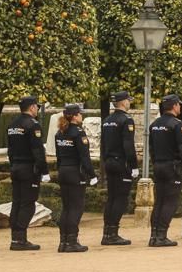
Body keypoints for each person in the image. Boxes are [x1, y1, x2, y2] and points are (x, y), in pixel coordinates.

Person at [148, 94, 182, 247]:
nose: (180, 107)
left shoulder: (154, 124)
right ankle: (161, 235)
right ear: (174, 106)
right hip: (172, 167)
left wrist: (156, 163)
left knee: (159, 201)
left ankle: (154, 235)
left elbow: (152, 149)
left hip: (159, 165)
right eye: (179, 104)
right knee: (170, 202)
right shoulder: (177, 124)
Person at [7, 95, 48, 251]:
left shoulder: (12, 124)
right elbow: (37, 150)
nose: (37, 109)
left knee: (17, 202)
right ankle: (21, 238)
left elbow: (10, 150)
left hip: (16, 167)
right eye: (36, 106)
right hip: (28, 169)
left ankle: (15, 238)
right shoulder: (33, 125)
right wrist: (43, 170)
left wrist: (13, 165)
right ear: (31, 107)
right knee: (28, 203)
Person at [55, 103, 97, 252]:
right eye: (79, 114)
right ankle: (72, 241)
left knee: (66, 207)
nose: (81, 116)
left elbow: (59, 157)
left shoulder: (60, 133)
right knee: (76, 208)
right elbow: (84, 158)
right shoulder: (78, 133)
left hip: (63, 171)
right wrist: (92, 175)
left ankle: (63, 241)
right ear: (74, 116)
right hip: (75, 173)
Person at [99, 90, 138, 246]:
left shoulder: (107, 120)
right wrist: (134, 165)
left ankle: (107, 232)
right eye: (128, 100)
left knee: (112, 198)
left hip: (109, 161)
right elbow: (128, 145)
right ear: (123, 102)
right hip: (121, 163)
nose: (129, 102)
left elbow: (103, 144)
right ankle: (112, 233)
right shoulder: (126, 120)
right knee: (120, 199)